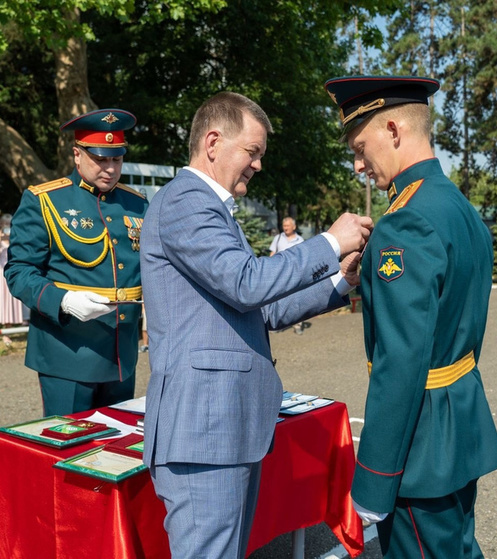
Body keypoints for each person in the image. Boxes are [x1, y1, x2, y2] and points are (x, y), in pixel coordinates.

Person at [140, 91, 373, 559]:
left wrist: (341, 283)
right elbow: (247, 283)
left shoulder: (212, 210)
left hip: (224, 428)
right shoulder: (187, 201)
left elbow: (262, 309)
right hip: (204, 433)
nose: (258, 165)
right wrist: (330, 241)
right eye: (253, 152)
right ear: (212, 142)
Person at [324, 75, 497, 557]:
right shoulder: (459, 209)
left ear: (393, 129)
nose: (359, 164)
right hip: (457, 431)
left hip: (418, 451)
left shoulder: (404, 223)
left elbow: (400, 365)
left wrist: (374, 480)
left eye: (361, 147)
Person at [5, 109, 148, 416]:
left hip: (121, 354)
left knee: (115, 451)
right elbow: (19, 272)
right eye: (100, 159)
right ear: (77, 154)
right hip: (68, 351)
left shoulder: (137, 204)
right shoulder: (45, 200)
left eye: (116, 159)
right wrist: (64, 301)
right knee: (69, 451)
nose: (110, 168)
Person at [0, 213, 25, 347]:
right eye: (5, 223)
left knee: (10, 301)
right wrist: (0, 238)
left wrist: (12, 238)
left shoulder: (17, 236)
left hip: (11, 271)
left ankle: (6, 333)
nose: (7, 225)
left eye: (9, 223)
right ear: (1, 224)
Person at [269, 216, 306, 333]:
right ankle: (279, 324)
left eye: (288, 226)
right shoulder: (278, 238)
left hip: (295, 274)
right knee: (279, 299)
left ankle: (297, 325)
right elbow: (273, 253)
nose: (285, 228)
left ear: (294, 227)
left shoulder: (300, 240)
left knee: (296, 299)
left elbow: (303, 258)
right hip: (280, 274)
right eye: (284, 226)